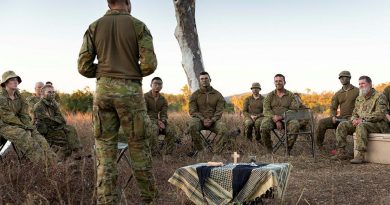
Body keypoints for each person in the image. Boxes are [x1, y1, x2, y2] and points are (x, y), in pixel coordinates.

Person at [77, 0, 158, 204]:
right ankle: (149, 200)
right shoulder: (139, 26)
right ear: (128, 3)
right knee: (138, 146)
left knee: (104, 151)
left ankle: (107, 201)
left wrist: (106, 73)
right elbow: (149, 65)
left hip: (103, 92)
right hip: (130, 91)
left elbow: (83, 67)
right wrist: (128, 72)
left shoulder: (94, 27)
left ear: (108, 2)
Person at [0, 71, 57, 165]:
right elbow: (8, 117)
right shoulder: (1, 98)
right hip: (3, 126)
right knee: (24, 135)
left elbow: (24, 115)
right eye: (12, 80)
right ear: (5, 83)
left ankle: (55, 162)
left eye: (16, 80)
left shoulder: (20, 98)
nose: (15, 82)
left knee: (38, 136)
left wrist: (29, 127)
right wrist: (24, 127)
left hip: (18, 125)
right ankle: (45, 165)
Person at [332, 76, 390, 164]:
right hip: (362, 123)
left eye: (363, 83)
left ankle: (360, 154)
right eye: (359, 84)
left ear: (370, 84)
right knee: (343, 124)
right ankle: (341, 152)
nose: (360, 86)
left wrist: (362, 120)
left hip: (378, 124)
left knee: (361, 125)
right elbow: (354, 112)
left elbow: (380, 114)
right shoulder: (359, 98)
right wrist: (354, 119)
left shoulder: (380, 96)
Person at [33, 84, 82, 160]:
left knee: (70, 128)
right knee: (65, 141)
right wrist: (56, 120)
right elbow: (47, 121)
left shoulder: (53, 104)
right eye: (49, 92)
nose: (52, 94)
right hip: (44, 131)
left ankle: (76, 151)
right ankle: (58, 162)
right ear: (42, 94)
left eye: (53, 92)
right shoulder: (39, 106)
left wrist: (54, 119)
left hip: (55, 127)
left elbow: (62, 119)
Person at [315, 71, 359, 148]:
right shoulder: (338, 93)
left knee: (344, 125)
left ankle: (341, 150)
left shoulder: (357, 91)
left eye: (344, 77)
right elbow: (333, 107)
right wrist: (333, 116)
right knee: (322, 122)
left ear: (349, 78)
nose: (342, 79)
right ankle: (319, 146)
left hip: (353, 118)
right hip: (341, 117)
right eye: (340, 78)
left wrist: (358, 117)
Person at [189, 71, 229, 154]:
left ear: (210, 79)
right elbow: (193, 111)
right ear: (199, 81)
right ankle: (201, 151)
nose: (204, 80)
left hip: (213, 121)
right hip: (199, 120)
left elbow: (219, 111)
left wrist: (213, 120)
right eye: (202, 79)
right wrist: (203, 119)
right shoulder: (194, 95)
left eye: (206, 78)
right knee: (192, 126)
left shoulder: (218, 95)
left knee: (224, 130)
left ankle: (216, 153)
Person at [260, 74, 299, 153]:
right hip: (272, 119)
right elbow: (266, 110)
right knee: (264, 126)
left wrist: (281, 117)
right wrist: (276, 119)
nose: (278, 83)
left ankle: (288, 150)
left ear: (284, 82)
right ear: (274, 83)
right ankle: (269, 150)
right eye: (276, 81)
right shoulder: (270, 96)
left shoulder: (291, 95)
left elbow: (294, 109)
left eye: (280, 81)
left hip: (288, 119)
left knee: (295, 125)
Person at [144, 77, 176, 156]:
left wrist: (163, 121)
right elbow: (144, 113)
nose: (157, 86)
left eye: (160, 84)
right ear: (151, 85)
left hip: (159, 121)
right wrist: (157, 122)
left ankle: (168, 154)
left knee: (171, 130)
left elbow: (164, 113)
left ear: (162, 86)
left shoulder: (163, 99)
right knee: (154, 129)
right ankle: (155, 153)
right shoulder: (145, 97)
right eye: (155, 84)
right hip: (146, 121)